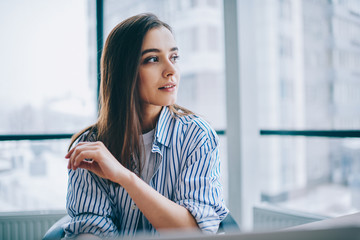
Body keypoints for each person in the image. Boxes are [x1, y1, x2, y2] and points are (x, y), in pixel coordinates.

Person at [64, 13, 228, 239]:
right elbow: (91, 230)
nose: (171, 70)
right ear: (124, 71)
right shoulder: (90, 147)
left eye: (174, 57)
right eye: (153, 59)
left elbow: (194, 232)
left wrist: (125, 177)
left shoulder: (197, 136)